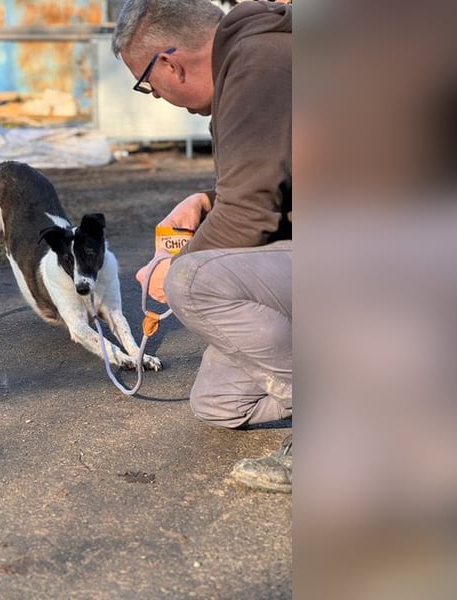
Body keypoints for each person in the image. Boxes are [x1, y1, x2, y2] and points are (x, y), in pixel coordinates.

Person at [112, 0, 292, 492]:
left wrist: (175, 272)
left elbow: (252, 214)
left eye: (147, 83)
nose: (155, 95)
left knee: (193, 278)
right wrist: (208, 201)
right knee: (219, 403)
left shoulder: (260, 63)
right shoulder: (252, 65)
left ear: (170, 61)